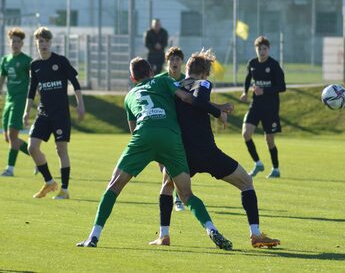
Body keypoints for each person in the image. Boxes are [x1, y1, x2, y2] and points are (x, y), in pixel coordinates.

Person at [77, 57, 233, 250]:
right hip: (171, 138)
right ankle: (211, 228)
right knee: (186, 194)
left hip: (144, 136)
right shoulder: (163, 80)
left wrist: (148, 153)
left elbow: (133, 130)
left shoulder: (129, 96)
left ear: (133, 78)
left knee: (114, 185)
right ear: (151, 71)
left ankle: (93, 236)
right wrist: (217, 109)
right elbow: (187, 98)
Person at [149, 49, 280, 249]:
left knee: (166, 187)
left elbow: (193, 102)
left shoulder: (176, 87)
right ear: (205, 73)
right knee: (246, 182)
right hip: (207, 153)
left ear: (187, 68)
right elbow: (200, 101)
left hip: (182, 154)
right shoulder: (203, 83)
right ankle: (255, 234)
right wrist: (218, 111)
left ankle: (164, 235)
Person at [23, 26, 85, 199]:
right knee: (32, 147)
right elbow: (31, 90)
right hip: (43, 113)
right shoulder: (35, 65)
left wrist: (81, 104)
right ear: (36, 43)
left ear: (51, 43)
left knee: (61, 150)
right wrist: (26, 112)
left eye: (46, 41)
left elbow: (75, 82)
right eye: (40, 41)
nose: (44, 44)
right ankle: (50, 182)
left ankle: (64, 190)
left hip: (61, 114)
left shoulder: (61, 61)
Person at [240, 36, 286, 179]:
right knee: (246, 133)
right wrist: (245, 92)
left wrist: (264, 91)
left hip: (270, 107)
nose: (262, 51)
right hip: (255, 105)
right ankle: (258, 163)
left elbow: (282, 87)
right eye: (259, 48)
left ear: (268, 49)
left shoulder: (274, 65)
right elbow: (248, 78)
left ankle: (276, 169)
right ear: (256, 49)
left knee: (269, 139)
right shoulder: (252, 63)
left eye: (264, 48)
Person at [156, 46, 186, 211]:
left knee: (174, 164)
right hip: (162, 127)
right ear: (167, 62)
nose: (174, 62)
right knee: (163, 166)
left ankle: (176, 198)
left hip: (180, 127)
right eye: (171, 59)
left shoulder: (186, 80)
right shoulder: (159, 80)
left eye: (177, 59)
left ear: (182, 62)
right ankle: (170, 195)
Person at [0, 28, 32, 177]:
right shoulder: (5, 60)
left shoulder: (26, 61)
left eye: (18, 41)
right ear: (9, 42)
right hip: (8, 101)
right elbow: (2, 79)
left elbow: (34, 79)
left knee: (13, 136)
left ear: (22, 43)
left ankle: (10, 169)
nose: (15, 43)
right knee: (8, 138)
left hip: (20, 101)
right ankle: (38, 157)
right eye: (13, 41)